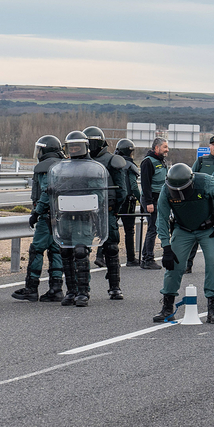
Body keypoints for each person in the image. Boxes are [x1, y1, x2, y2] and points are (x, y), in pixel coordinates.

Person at [151, 162, 214, 325]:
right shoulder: (165, 191)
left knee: (212, 263)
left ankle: (213, 309)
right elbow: (161, 219)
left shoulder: (207, 183)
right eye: (176, 191)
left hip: (209, 228)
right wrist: (166, 246)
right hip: (182, 229)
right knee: (174, 265)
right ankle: (167, 308)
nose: (179, 193)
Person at [48, 131, 111, 307]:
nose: (75, 149)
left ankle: (83, 291)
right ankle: (71, 291)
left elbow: (99, 194)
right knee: (65, 252)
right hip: (65, 216)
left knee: (81, 252)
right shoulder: (61, 168)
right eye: (72, 146)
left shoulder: (93, 168)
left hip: (83, 217)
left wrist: (87, 201)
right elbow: (54, 188)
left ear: (85, 147)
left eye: (78, 146)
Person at [14, 135, 66, 302]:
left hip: (46, 216)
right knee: (56, 249)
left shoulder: (45, 167)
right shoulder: (63, 165)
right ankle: (56, 288)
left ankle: (31, 287)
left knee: (36, 250)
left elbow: (47, 191)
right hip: (62, 215)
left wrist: (37, 212)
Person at [84, 126, 129, 300]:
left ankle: (115, 287)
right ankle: (82, 289)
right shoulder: (81, 162)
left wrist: (113, 211)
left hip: (106, 211)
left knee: (111, 248)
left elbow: (122, 191)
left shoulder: (112, 161)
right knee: (80, 249)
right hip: (86, 211)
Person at [184, 133, 214, 273]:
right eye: (213, 145)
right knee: (195, 231)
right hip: (203, 203)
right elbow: (191, 178)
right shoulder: (202, 161)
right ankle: (188, 263)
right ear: (209, 147)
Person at [139, 137, 169, 270]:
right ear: (157, 148)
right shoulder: (148, 162)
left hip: (159, 198)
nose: (167, 150)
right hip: (151, 199)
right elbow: (145, 184)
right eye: (165, 147)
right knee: (153, 228)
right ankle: (148, 259)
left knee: (153, 228)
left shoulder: (160, 161)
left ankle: (146, 256)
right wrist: (149, 202)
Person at [115, 138, 144, 267]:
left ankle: (100, 256)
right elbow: (133, 186)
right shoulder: (130, 166)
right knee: (129, 230)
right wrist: (142, 201)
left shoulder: (114, 164)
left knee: (109, 228)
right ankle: (131, 258)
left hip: (114, 201)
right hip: (127, 202)